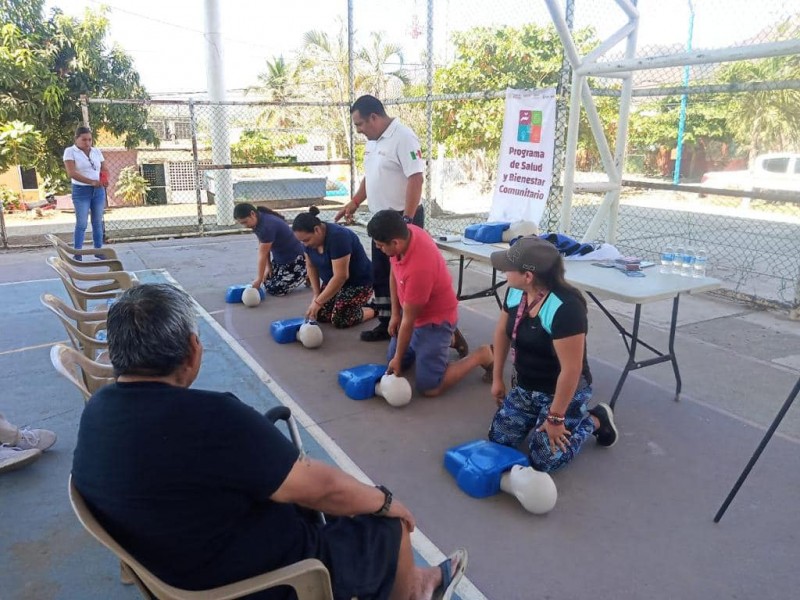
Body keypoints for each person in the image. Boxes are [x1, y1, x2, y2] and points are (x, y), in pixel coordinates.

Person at [72, 283, 468, 600]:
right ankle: (413, 589)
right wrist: (385, 501)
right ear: (193, 352)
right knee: (387, 525)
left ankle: (410, 578)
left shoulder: (96, 412)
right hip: (258, 580)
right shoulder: (214, 418)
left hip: (173, 568)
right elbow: (323, 489)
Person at [487, 236, 619, 473]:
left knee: (544, 460)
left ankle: (595, 419)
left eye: (508, 268)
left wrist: (556, 417)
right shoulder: (516, 292)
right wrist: (497, 377)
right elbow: (502, 333)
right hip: (527, 385)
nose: (504, 271)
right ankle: (537, 416)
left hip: (561, 391)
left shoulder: (566, 308)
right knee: (499, 440)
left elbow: (571, 369)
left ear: (528, 276)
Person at [367, 210, 493, 397]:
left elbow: (409, 321)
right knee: (393, 360)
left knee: (429, 387)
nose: (378, 249)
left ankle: (480, 355)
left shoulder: (419, 268)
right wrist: (395, 314)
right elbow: (394, 271)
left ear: (395, 243)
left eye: (379, 245)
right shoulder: (404, 232)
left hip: (435, 319)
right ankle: (446, 340)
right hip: (413, 313)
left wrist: (398, 355)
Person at [334, 95, 425, 342]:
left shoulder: (403, 137)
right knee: (382, 272)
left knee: (405, 276)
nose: (359, 130)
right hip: (380, 218)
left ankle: (412, 326)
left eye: (360, 124)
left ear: (374, 117)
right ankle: (387, 323)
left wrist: (406, 220)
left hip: (401, 219)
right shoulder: (372, 142)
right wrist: (354, 202)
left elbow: (416, 178)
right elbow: (370, 176)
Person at [292, 207, 376, 329]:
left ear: (317, 230)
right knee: (320, 314)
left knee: (341, 319)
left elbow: (341, 276)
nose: (305, 244)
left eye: (306, 240)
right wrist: (316, 295)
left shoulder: (338, 237)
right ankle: (350, 305)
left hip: (358, 283)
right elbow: (311, 266)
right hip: (333, 282)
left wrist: (318, 302)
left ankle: (374, 309)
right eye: (301, 242)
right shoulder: (308, 243)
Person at [234, 203, 307, 296]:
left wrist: (259, 279)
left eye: (245, 222)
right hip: (280, 260)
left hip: (296, 259)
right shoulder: (258, 221)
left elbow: (262, 254)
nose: (245, 226)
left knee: (276, 289)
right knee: (268, 281)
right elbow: (263, 247)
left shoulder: (266, 226)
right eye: (242, 223)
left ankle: (307, 271)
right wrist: (269, 267)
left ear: (252, 214)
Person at [63, 126, 108, 257]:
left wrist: (104, 179)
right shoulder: (70, 151)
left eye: (89, 140)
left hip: (98, 191)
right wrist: (91, 182)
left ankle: (98, 251)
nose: (87, 143)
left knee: (97, 222)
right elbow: (72, 173)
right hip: (81, 190)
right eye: (84, 140)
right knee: (82, 223)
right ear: (76, 139)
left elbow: (104, 168)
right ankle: (77, 253)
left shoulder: (96, 151)